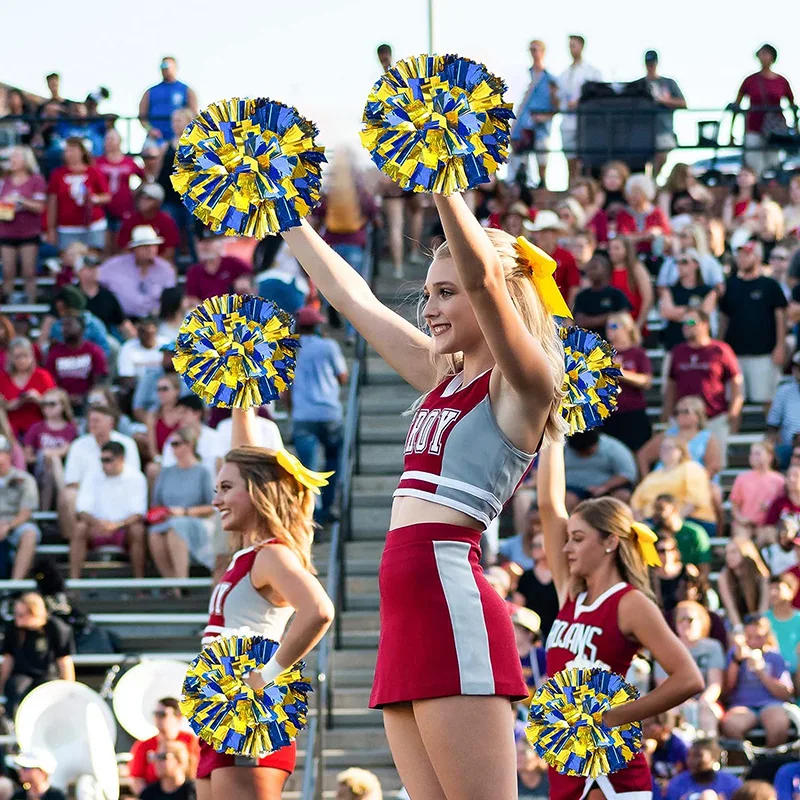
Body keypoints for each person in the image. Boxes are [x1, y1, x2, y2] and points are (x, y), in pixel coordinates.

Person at [281, 186, 568, 797]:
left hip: (451, 602)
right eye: (426, 294)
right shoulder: (442, 374)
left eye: (444, 293)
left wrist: (440, 181)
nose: (428, 309)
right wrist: (283, 216)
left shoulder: (521, 387)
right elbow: (352, 298)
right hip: (406, 612)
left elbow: (488, 281)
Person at [536, 443, 703, 800]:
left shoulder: (630, 603)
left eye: (578, 539)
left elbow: (689, 678)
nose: (567, 549)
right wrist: (554, 431)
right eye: (568, 539)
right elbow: (550, 507)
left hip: (609, 761)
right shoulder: (570, 594)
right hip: (565, 755)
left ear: (610, 541)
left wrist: (615, 717)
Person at [197, 408, 334, 800]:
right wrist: (240, 401)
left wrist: (267, 675)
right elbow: (243, 454)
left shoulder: (273, 555)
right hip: (220, 704)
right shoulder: (247, 552)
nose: (216, 500)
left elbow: (319, 610)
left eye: (225, 489)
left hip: (249, 709)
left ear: (257, 492)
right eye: (216, 489)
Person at [290, 306, 348, 524]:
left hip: (303, 415)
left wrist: (291, 409)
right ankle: (328, 505)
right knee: (333, 461)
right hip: (329, 412)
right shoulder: (329, 346)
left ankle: (311, 513)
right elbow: (342, 376)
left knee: (307, 468)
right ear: (316, 326)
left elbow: (284, 389)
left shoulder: (290, 350)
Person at [663, 309, 744, 457]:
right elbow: (671, 386)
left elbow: (736, 383)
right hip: (684, 419)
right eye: (684, 323)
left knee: (715, 466)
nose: (686, 326)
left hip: (714, 417)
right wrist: (668, 414)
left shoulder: (720, 349)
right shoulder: (678, 352)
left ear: (705, 324)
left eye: (691, 322)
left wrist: (733, 413)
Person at [720, 239, 787, 405]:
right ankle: (733, 432)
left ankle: (773, 431)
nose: (741, 258)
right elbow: (724, 318)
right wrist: (720, 345)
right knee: (734, 400)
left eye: (747, 254)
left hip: (764, 353)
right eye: (740, 255)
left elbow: (781, 317)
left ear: (757, 257)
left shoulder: (770, 285)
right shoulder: (730, 285)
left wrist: (780, 346)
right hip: (734, 353)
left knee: (768, 400)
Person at [60, 405, 140, 541]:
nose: (92, 424)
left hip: (120, 494)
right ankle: (75, 540)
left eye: (97, 420)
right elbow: (72, 481)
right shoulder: (78, 445)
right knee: (68, 495)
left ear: (111, 422)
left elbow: (133, 478)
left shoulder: (127, 444)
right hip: (89, 497)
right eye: (90, 420)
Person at [72, 440, 147, 578]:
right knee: (80, 528)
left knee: (137, 530)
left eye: (108, 460)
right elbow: (81, 510)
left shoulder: (136, 477)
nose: (104, 464)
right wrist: (98, 524)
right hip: (95, 528)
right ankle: (74, 583)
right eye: (102, 460)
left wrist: (116, 525)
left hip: (123, 530)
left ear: (121, 459)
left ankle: (139, 582)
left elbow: (138, 513)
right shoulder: (92, 475)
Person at [148, 427, 216, 579]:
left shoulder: (202, 472)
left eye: (176, 443)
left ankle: (181, 580)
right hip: (167, 520)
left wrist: (183, 512)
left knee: (176, 528)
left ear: (189, 444)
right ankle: (172, 584)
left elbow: (211, 506)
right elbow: (156, 502)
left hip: (195, 521)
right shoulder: (166, 472)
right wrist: (164, 513)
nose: (172, 448)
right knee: (154, 534)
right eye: (171, 444)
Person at [720, 613, 794, 746]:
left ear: (766, 636)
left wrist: (761, 672)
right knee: (730, 726)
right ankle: (749, 761)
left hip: (771, 704)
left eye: (758, 637)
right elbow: (727, 690)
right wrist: (736, 662)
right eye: (749, 637)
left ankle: (770, 761)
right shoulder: (734, 655)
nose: (753, 642)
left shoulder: (774, 656)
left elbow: (786, 694)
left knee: (779, 725)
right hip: (742, 706)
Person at [654, 601, 725, 735]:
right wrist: (683, 702)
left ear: (701, 622)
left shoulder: (713, 647)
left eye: (690, 619)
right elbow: (663, 684)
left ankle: (709, 751)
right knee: (671, 713)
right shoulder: (665, 648)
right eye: (681, 619)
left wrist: (702, 703)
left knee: (707, 712)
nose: (685, 624)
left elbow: (715, 684)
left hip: (705, 700)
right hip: (674, 700)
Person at [0, 592, 74, 717]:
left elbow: (64, 661)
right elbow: (8, 659)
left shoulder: (55, 627)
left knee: (47, 692)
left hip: (47, 674)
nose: (17, 618)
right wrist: (1, 687)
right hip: (21, 673)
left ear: (34, 613)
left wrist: (70, 689)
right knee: (15, 689)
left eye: (21, 615)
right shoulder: (13, 628)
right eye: (15, 614)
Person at [732, 44, 796, 176]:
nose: (763, 57)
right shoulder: (750, 80)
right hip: (754, 127)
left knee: (772, 164)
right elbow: (736, 106)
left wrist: (795, 129)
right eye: (761, 54)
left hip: (774, 130)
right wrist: (731, 132)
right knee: (754, 164)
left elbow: (792, 105)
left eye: (766, 54)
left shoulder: (781, 81)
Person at [98, 224, 177, 319]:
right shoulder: (115, 265)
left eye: (153, 245)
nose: (150, 249)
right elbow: (95, 276)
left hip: (156, 320)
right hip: (123, 320)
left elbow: (171, 298)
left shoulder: (165, 269)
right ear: (134, 248)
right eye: (145, 246)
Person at [509, 39, 558, 189]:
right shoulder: (525, 75)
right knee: (519, 151)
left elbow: (556, 104)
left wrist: (545, 116)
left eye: (536, 49)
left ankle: (542, 181)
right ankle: (521, 179)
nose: (534, 53)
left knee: (542, 149)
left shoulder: (549, 78)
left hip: (541, 123)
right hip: (524, 121)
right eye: (531, 50)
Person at [0, 146, 47, 303]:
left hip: (29, 233)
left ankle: (30, 309)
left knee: (29, 272)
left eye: (16, 157)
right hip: (7, 232)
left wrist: (20, 200)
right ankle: (6, 311)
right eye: (11, 157)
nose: (12, 160)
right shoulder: (4, 181)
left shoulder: (36, 180)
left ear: (26, 160)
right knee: (7, 272)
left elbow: (40, 207)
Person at [45, 137, 110, 250]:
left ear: (82, 152)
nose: (69, 154)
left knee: (93, 261)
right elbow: (52, 203)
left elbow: (107, 196)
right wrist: (50, 229)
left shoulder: (93, 172)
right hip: (67, 228)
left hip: (93, 226)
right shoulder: (58, 174)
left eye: (73, 150)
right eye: (67, 150)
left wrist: (94, 199)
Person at [602, 311, 653, 453]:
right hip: (608, 414)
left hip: (632, 413)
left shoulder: (638, 353)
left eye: (613, 325)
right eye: (607, 326)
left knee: (637, 452)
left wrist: (620, 372)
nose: (609, 329)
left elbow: (646, 381)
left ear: (627, 328)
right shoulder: (602, 354)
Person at [641, 395, 723, 481]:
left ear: (698, 415)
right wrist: (647, 480)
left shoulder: (707, 437)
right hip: (664, 483)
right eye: (677, 412)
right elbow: (643, 456)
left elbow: (713, 466)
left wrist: (696, 482)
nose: (680, 415)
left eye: (685, 411)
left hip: (694, 483)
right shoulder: (666, 435)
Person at [129, 698, 200, 796]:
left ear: (178, 717)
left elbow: (198, 772)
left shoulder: (191, 741)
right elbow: (136, 779)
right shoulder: (143, 746)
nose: (157, 718)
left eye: (163, 714)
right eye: (156, 714)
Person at [556, 35, 602, 182]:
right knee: (570, 158)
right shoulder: (564, 74)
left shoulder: (592, 72)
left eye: (574, 45)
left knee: (585, 158)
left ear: (581, 46)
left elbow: (598, 93)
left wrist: (580, 101)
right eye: (569, 45)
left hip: (586, 122)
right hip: (568, 121)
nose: (571, 49)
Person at [23, 387, 76, 512]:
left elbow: (67, 451)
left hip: (64, 469)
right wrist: (44, 456)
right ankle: (65, 502)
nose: (47, 407)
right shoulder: (36, 428)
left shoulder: (70, 428)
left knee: (53, 464)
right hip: (39, 468)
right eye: (44, 404)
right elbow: (28, 457)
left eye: (52, 404)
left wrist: (50, 455)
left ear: (63, 406)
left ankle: (45, 512)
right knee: (50, 461)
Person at [44, 313, 107, 411]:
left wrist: (84, 397)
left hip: (88, 402)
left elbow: (99, 381)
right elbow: (50, 381)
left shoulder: (94, 350)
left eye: (69, 324)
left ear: (81, 328)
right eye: (63, 325)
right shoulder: (55, 352)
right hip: (61, 402)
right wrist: (65, 397)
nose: (64, 329)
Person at [658, 249, 718, 352]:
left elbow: (703, 315)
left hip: (701, 346)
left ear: (696, 264)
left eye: (684, 262)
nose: (679, 265)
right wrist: (692, 312)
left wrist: (681, 315)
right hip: (674, 344)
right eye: (677, 262)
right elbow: (665, 312)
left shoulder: (708, 291)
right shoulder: (669, 290)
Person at [563, 429, 638, 510]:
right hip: (573, 489)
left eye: (588, 452)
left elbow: (627, 473)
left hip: (609, 489)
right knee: (565, 499)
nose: (584, 456)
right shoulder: (563, 448)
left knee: (622, 496)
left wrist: (604, 487)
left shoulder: (613, 448)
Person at [639, 50, 686, 177]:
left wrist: (664, 100)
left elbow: (683, 103)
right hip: (642, 129)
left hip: (663, 128)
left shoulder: (668, 83)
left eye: (652, 63)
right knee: (642, 160)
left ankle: (653, 182)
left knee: (662, 157)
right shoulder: (639, 84)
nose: (650, 66)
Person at [0, 435, 40, 580]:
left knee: (29, 533)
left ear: (9, 454)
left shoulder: (25, 479)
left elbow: (26, 512)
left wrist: (8, 527)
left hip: (17, 524)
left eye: (1, 453)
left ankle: (15, 584)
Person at [95, 128, 145, 243]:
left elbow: (144, 177)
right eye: (107, 139)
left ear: (119, 141)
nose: (109, 142)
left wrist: (135, 192)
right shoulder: (98, 162)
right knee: (104, 243)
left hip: (124, 207)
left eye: (112, 139)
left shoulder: (128, 162)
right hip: (103, 208)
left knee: (121, 241)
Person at [0, 337, 55, 439]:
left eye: (25, 356)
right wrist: (10, 405)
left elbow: (57, 403)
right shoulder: (2, 379)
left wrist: (39, 399)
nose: (22, 360)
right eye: (17, 357)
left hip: (39, 430)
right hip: (10, 432)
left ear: (32, 356)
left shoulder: (42, 376)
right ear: (11, 358)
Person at [730, 441, 786, 540]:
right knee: (741, 539)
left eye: (758, 453)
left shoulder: (779, 480)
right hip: (745, 524)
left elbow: (783, 506)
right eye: (751, 453)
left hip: (768, 525)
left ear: (769, 456)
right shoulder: (742, 478)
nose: (753, 456)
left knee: (768, 537)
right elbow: (734, 506)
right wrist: (741, 519)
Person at [524, 210, 581, 306]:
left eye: (545, 231)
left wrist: (569, 315)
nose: (540, 235)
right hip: (534, 308)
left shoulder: (566, 257)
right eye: (538, 232)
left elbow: (573, 287)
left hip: (559, 311)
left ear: (555, 234)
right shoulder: (528, 255)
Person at [571, 250, 632, 336]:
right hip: (588, 344)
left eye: (595, 267)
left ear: (606, 270)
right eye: (589, 268)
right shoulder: (581, 296)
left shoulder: (617, 294)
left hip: (613, 343)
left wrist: (591, 320)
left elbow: (623, 319)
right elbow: (580, 321)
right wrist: (608, 317)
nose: (591, 271)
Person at [649, 494, 712, 577]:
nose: (656, 513)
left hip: (689, 582)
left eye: (661, 509)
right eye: (655, 509)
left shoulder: (694, 532)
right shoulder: (652, 534)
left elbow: (704, 568)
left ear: (674, 509)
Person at [139, 57, 198, 142]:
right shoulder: (150, 92)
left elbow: (194, 114)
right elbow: (142, 116)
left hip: (180, 138)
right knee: (150, 152)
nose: (165, 69)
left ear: (175, 67)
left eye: (168, 66)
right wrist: (150, 130)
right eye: (162, 66)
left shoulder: (187, 90)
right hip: (156, 138)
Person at [184, 230, 251, 305]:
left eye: (210, 241)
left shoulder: (235, 264)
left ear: (220, 243)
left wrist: (245, 286)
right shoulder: (193, 272)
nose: (206, 245)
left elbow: (252, 281)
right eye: (201, 241)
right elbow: (192, 299)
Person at [516, 529, 560, 640]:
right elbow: (518, 607)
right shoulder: (526, 576)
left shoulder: (560, 576)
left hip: (556, 632)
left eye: (539, 545)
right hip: (531, 635)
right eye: (533, 545)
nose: (535, 549)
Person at [117, 183, 180, 261]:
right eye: (141, 197)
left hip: (159, 265)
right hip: (134, 265)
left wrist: (153, 267)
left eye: (148, 198)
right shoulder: (131, 220)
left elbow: (169, 252)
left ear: (158, 202)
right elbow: (124, 249)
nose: (142, 201)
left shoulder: (166, 221)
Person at [616, 173, 672, 259]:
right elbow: (622, 238)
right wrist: (645, 236)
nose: (631, 196)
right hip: (631, 257)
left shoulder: (657, 213)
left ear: (646, 194)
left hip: (655, 256)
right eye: (630, 192)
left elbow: (667, 234)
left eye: (636, 192)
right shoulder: (623, 214)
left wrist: (658, 232)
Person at [664, 739, 741, 800]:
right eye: (689, 755)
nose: (691, 760)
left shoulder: (731, 784)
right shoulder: (677, 783)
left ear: (714, 757)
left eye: (698, 755)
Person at [718, 539, 770, 630]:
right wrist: (738, 628)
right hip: (737, 621)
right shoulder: (724, 576)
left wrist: (759, 626)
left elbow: (764, 608)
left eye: (733, 552)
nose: (729, 557)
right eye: (727, 553)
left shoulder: (761, 575)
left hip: (758, 619)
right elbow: (730, 607)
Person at [607, 236, 654, 330]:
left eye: (616, 248)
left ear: (627, 250)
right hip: (612, 325)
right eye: (610, 248)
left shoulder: (636, 268)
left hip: (633, 323)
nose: (612, 252)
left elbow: (648, 297)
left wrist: (638, 325)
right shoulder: (607, 269)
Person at [765, 574, 800, 681]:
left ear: (791, 592)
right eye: (770, 589)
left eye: (777, 588)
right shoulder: (763, 620)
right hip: (773, 678)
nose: (773, 593)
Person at [117, 316, 168, 391]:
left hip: (163, 385)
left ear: (155, 331)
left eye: (149, 332)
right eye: (143, 332)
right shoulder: (127, 347)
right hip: (138, 388)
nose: (146, 336)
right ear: (138, 332)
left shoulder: (166, 344)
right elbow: (126, 376)